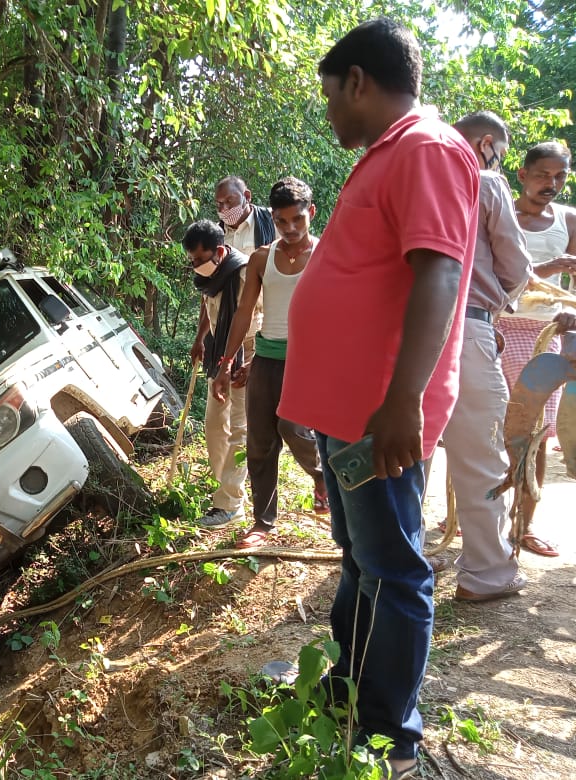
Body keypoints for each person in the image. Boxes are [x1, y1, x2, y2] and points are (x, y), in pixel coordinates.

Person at [277, 19, 478, 778]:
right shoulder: (387, 155)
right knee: (361, 560)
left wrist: (405, 402)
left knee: (394, 569)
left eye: (331, 96)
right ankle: (348, 690)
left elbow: (439, 274)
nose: (329, 114)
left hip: (377, 412)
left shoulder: (425, 149)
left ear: (359, 81)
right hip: (349, 412)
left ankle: (389, 734)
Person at [428, 112, 532, 599]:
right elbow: (515, 266)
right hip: (465, 327)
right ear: (487, 143)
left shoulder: (417, 171)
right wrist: (492, 308)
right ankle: (487, 573)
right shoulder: (483, 178)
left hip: (408, 329)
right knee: (481, 456)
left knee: (412, 453)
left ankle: (398, 565)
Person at [211, 177, 328, 549]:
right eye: (282, 221)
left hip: (307, 362)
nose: (290, 228)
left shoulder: (326, 254)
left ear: (311, 213)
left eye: (298, 219)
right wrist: (227, 362)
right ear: (273, 218)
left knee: (293, 426)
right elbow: (244, 312)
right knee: (260, 443)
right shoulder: (263, 258)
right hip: (267, 357)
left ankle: (323, 476)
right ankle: (262, 522)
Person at [497, 141, 576, 557]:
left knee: (538, 434)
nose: (552, 183)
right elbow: (496, 274)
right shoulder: (499, 212)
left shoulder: (569, 220)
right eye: (543, 174)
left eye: (560, 176)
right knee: (490, 427)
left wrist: (571, 315)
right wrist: (548, 268)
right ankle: (473, 517)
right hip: (498, 330)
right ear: (522, 175)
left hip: (548, 339)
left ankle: (525, 525)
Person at [184, 219, 251, 527]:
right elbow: (207, 306)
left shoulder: (244, 272)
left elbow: (252, 316)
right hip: (218, 354)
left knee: (239, 429)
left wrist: (244, 361)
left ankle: (229, 505)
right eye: (192, 261)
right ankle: (228, 489)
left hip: (246, 355)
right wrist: (200, 339)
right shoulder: (208, 278)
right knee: (213, 426)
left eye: (200, 259)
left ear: (220, 252)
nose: (196, 266)